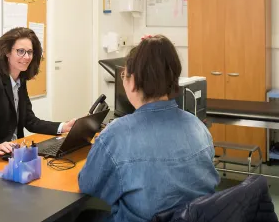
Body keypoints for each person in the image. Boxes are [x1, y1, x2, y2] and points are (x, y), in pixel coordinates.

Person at [77, 35, 220, 222]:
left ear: (133, 81)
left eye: (124, 75)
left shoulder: (117, 134)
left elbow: (88, 185)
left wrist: (102, 145)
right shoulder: (198, 127)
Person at [0, 27, 75, 156]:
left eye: (30, 52)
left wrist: (63, 127)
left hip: (15, 152)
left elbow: (30, 121)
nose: (26, 57)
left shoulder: (20, 81)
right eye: (20, 51)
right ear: (7, 52)